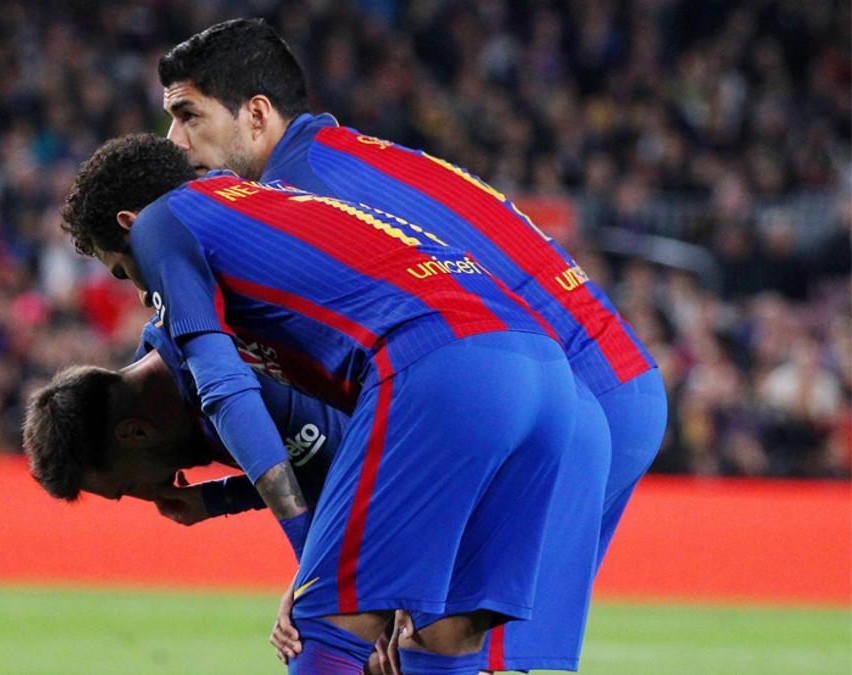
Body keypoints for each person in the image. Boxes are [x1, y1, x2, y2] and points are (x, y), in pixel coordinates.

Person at [154, 18, 667, 672]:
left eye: (188, 115)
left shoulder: (299, 196)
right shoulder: (346, 157)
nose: (174, 141)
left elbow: (394, 389)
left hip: (565, 391)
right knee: (462, 644)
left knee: (438, 647)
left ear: (255, 115)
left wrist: (333, 564)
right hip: (601, 376)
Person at [59, 132, 603, 674]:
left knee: (321, 626)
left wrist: (310, 555)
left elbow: (222, 384)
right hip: (545, 372)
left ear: (130, 223)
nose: (138, 290)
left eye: (122, 270)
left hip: (441, 361)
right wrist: (224, 502)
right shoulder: (257, 205)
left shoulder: (160, 223)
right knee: (443, 638)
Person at [23, 323, 346, 521]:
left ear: (135, 433)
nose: (154, 497)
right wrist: (218, 499)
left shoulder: (231, 388)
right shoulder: (163, 392)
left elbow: (360, 470)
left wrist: (225, 498)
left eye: (129, 488)